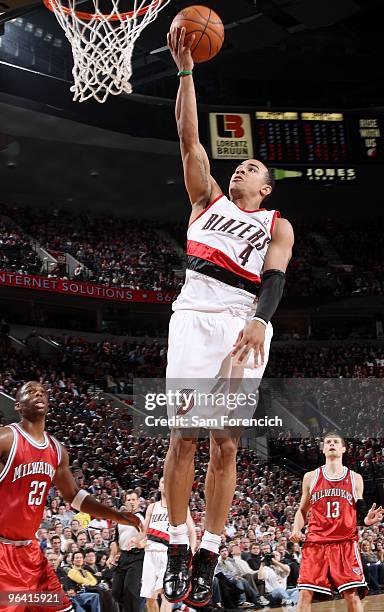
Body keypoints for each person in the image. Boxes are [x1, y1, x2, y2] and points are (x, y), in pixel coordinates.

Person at [163, 25, 294, 607]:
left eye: (252, 169)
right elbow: (190, 136)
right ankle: (175, 545)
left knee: (226, 444)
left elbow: (276, 278)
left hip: (244, 324)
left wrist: (259, 323)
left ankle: (209, 553)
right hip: (193, 314)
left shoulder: (276, 225)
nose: (241, 170)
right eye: (237, 165)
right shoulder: (205, 199)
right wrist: (187, 72)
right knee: (181, 437)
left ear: (265, 190)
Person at [0, 381, 142, 612]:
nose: (38, 394)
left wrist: (116, 515)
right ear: (17, 405)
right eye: (30, 391)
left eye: (43, 392)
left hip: (30, 552)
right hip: (2, 551)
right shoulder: (6, 438)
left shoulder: (56, 450)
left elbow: (75, 496)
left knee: (60, 608)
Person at [290, 431, 383, 611]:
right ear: (323, 449)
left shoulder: (355, 478)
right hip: (316, 542)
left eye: (335, 442)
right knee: (304, 595)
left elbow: (360, 510)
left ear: (343, 449)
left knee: (352, 597)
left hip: (345, 543)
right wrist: (296, 529)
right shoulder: (311, 477)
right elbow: (302, 510)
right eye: (328, 442)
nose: (331, 444)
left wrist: (367, 520)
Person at [137, 477, 196, 611]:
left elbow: (192, 531)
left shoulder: (180, 506)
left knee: (167, 594)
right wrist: (136, 541)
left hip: (170, 554)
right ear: (159, 487)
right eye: (163, 482)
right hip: (150, 553)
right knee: (150, 598)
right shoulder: (152, 507)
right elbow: (144, 532)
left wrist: (191, 552)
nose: (166, 485)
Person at [108, 491, 145, 612]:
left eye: (134, 499)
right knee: (116, 592)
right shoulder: (121, 519)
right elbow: (115, 541)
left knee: (130, 590)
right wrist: (112, 556)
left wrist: (141, 542)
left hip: (138, 556)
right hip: (123, 556)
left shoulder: (144, 516)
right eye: (129, 500)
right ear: (125, 502)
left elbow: (148, 536)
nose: (131, 502)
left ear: (138, 501)